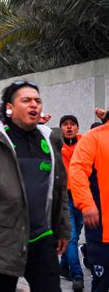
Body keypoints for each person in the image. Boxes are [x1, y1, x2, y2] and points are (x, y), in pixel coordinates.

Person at [0, 80, 70, 292]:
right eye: (26, 100)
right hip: (1, 238)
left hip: (42, 236)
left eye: (37, 100)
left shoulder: (50, 138)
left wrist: (62, 227)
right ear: (10, 107)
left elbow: (59, 186)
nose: (34, 105)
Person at [70, 113, 109, 292]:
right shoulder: (94, 137)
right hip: (102, 231)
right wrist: (87, 204)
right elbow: (77, 171)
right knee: (102, 283)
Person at [57, 115, 85, 291]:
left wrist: (105, 118)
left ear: (77, 127)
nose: (69, 127)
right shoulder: (56, 145)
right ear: (60, 128)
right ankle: (78, 276)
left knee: (78, 230)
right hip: (65, 197)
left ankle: (63, 266)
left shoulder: (84, 142)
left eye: (72, 124)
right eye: (65, 125)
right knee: (72, 237)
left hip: (82, 195)